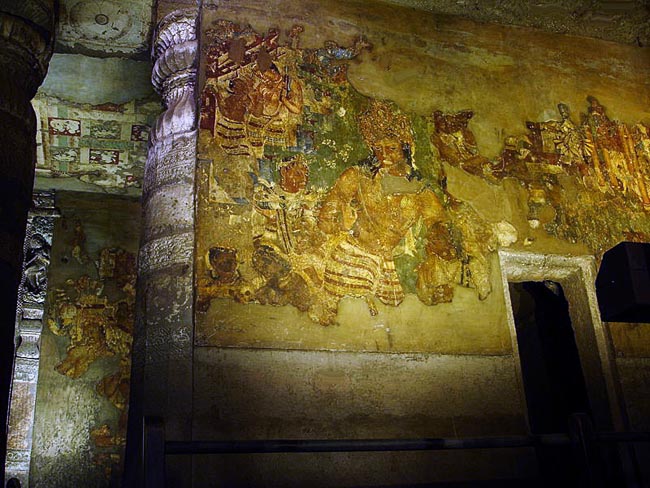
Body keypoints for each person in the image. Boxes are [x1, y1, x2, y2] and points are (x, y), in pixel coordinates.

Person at [314, 101, 446, 325]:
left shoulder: (419, 188)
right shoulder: (357, 176)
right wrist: (341, 223)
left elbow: (437, 222)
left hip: (392, 261)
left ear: (404, 147)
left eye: (391, 148)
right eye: (378, 148)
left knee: (399, 310)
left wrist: (435, 246)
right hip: (354, 254)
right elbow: (326, 217)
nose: (384, 154)